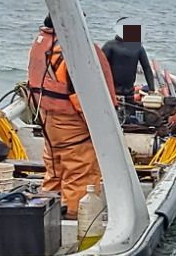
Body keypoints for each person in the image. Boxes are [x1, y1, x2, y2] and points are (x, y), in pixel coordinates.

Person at [26, 14, 117, 215]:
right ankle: (75, 219)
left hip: (48, 119)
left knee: (55, 169)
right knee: (80, 173)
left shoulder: (42, 42)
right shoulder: (75, 49)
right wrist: (102, 127)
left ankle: (46, 214)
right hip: (72, 122)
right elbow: (85, 95)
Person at [102, 23, 159, 99]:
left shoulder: (109, 45)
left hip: (111, 94)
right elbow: (147, 69)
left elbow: (99, 65)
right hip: (129, 94)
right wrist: (151, 89)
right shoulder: (138, 47)